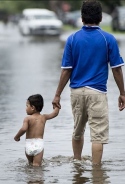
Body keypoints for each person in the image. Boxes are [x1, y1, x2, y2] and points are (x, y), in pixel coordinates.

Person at [52, 0, 125, 165]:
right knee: (98, 135)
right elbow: (116, 69)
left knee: (77, 132)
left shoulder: (72, 39)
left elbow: (66, 70)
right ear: (100, 17)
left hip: (76, 92)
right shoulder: (108, 39)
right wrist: (122, 93)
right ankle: (97, 172)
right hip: (97, 93)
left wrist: (57, 95)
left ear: (81, 18)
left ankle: (77, 165)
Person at [14, 94, 59, 166]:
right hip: (38, 145)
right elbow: (55, 113)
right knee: (37, 166)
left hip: (29, 145)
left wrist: (17, 137)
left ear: (32, 107)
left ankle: (30, 177)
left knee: (30, 164)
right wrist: (56, 105)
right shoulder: (44, 117)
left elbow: (24, 128)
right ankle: (37, 177)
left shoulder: (27, 118)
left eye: (27, 106)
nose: (26, 108)